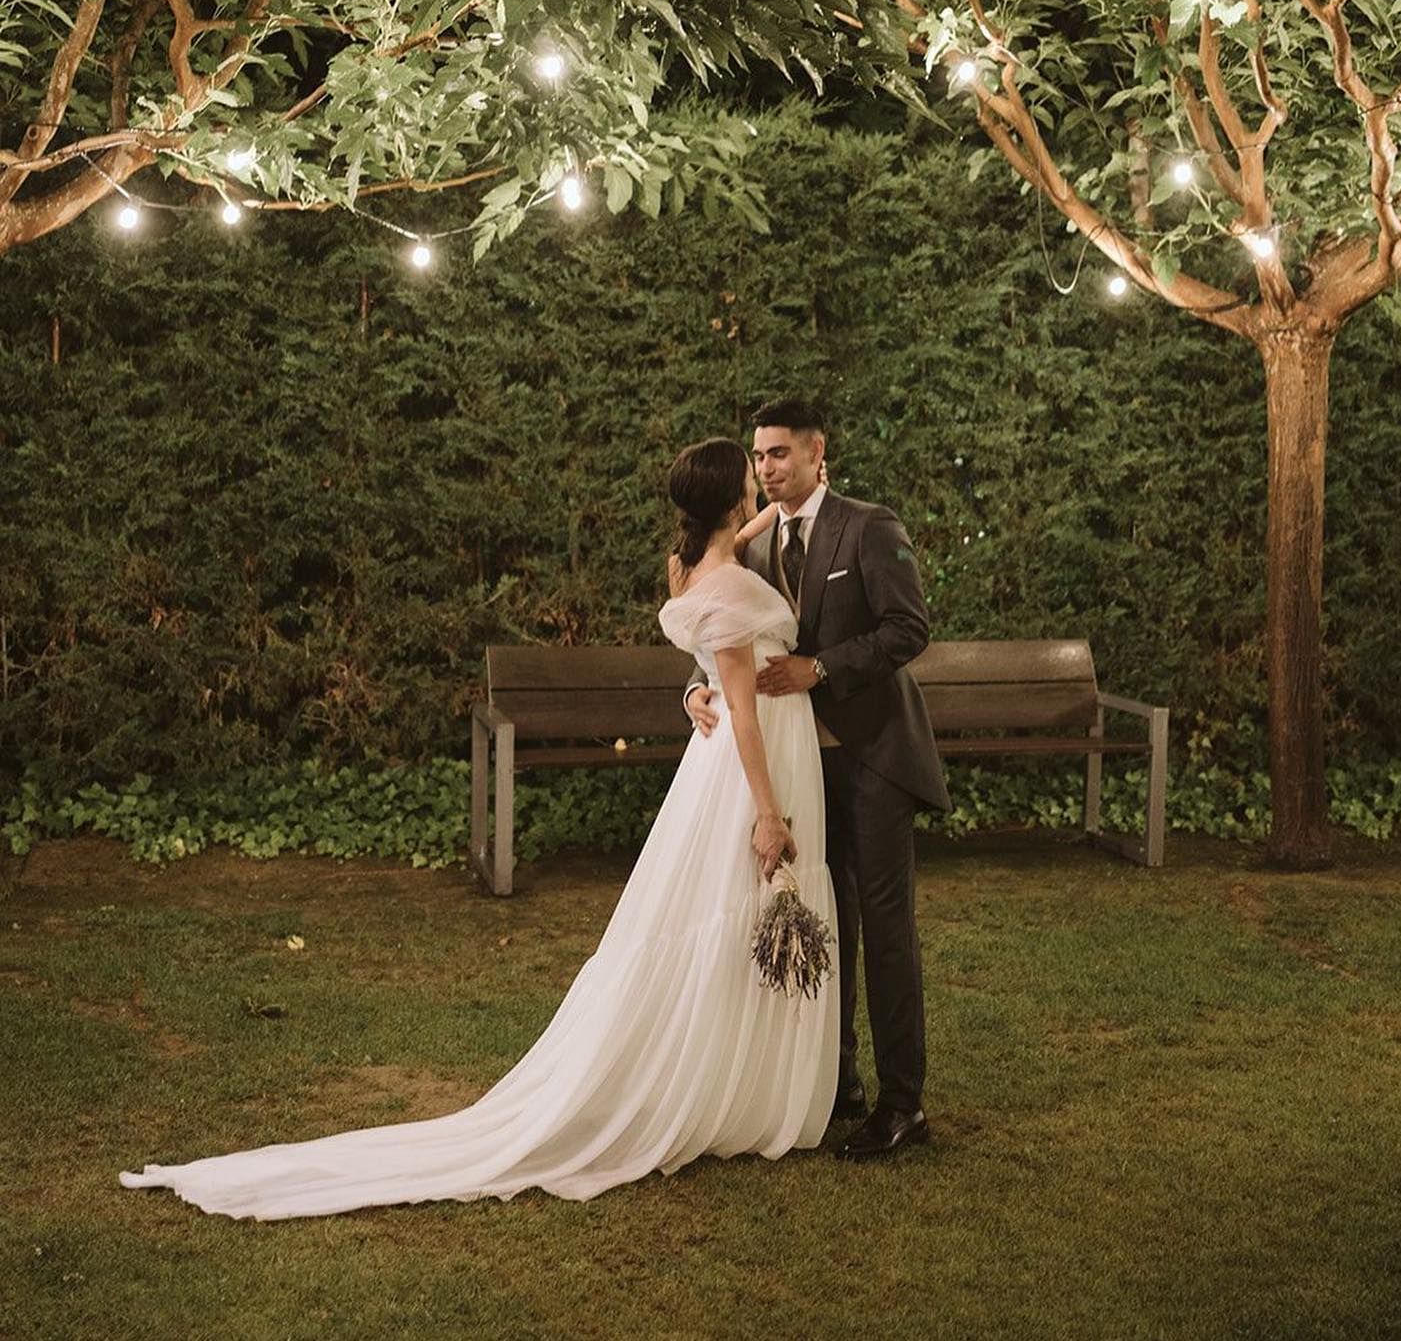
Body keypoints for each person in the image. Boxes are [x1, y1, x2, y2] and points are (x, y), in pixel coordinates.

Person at [118, 437, 838, 1219]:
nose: (758, 481)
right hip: (745, 771)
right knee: (734, 914)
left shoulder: (701, 558)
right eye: (750, 475)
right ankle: (713, 1088)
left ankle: (730, 1076)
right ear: (729, 496)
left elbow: (739, 570)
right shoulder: (731, 582)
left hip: (724, 764)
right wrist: (767, 812)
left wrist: (792, 506)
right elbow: (737, 703)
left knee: (726, 923)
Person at [686, 399, 950, 1158]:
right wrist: (696, 689)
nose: (766, 468)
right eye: (759, 457)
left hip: (874, 760)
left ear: (815, 452)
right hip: (804, 768)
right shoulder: (756, 545)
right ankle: (838, 1082)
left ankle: (905, 1105)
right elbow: (716, 627)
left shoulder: (869, 525)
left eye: (778, 455)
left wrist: (823, 668)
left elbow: (909, 629)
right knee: (827, 921)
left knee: (886, 928)